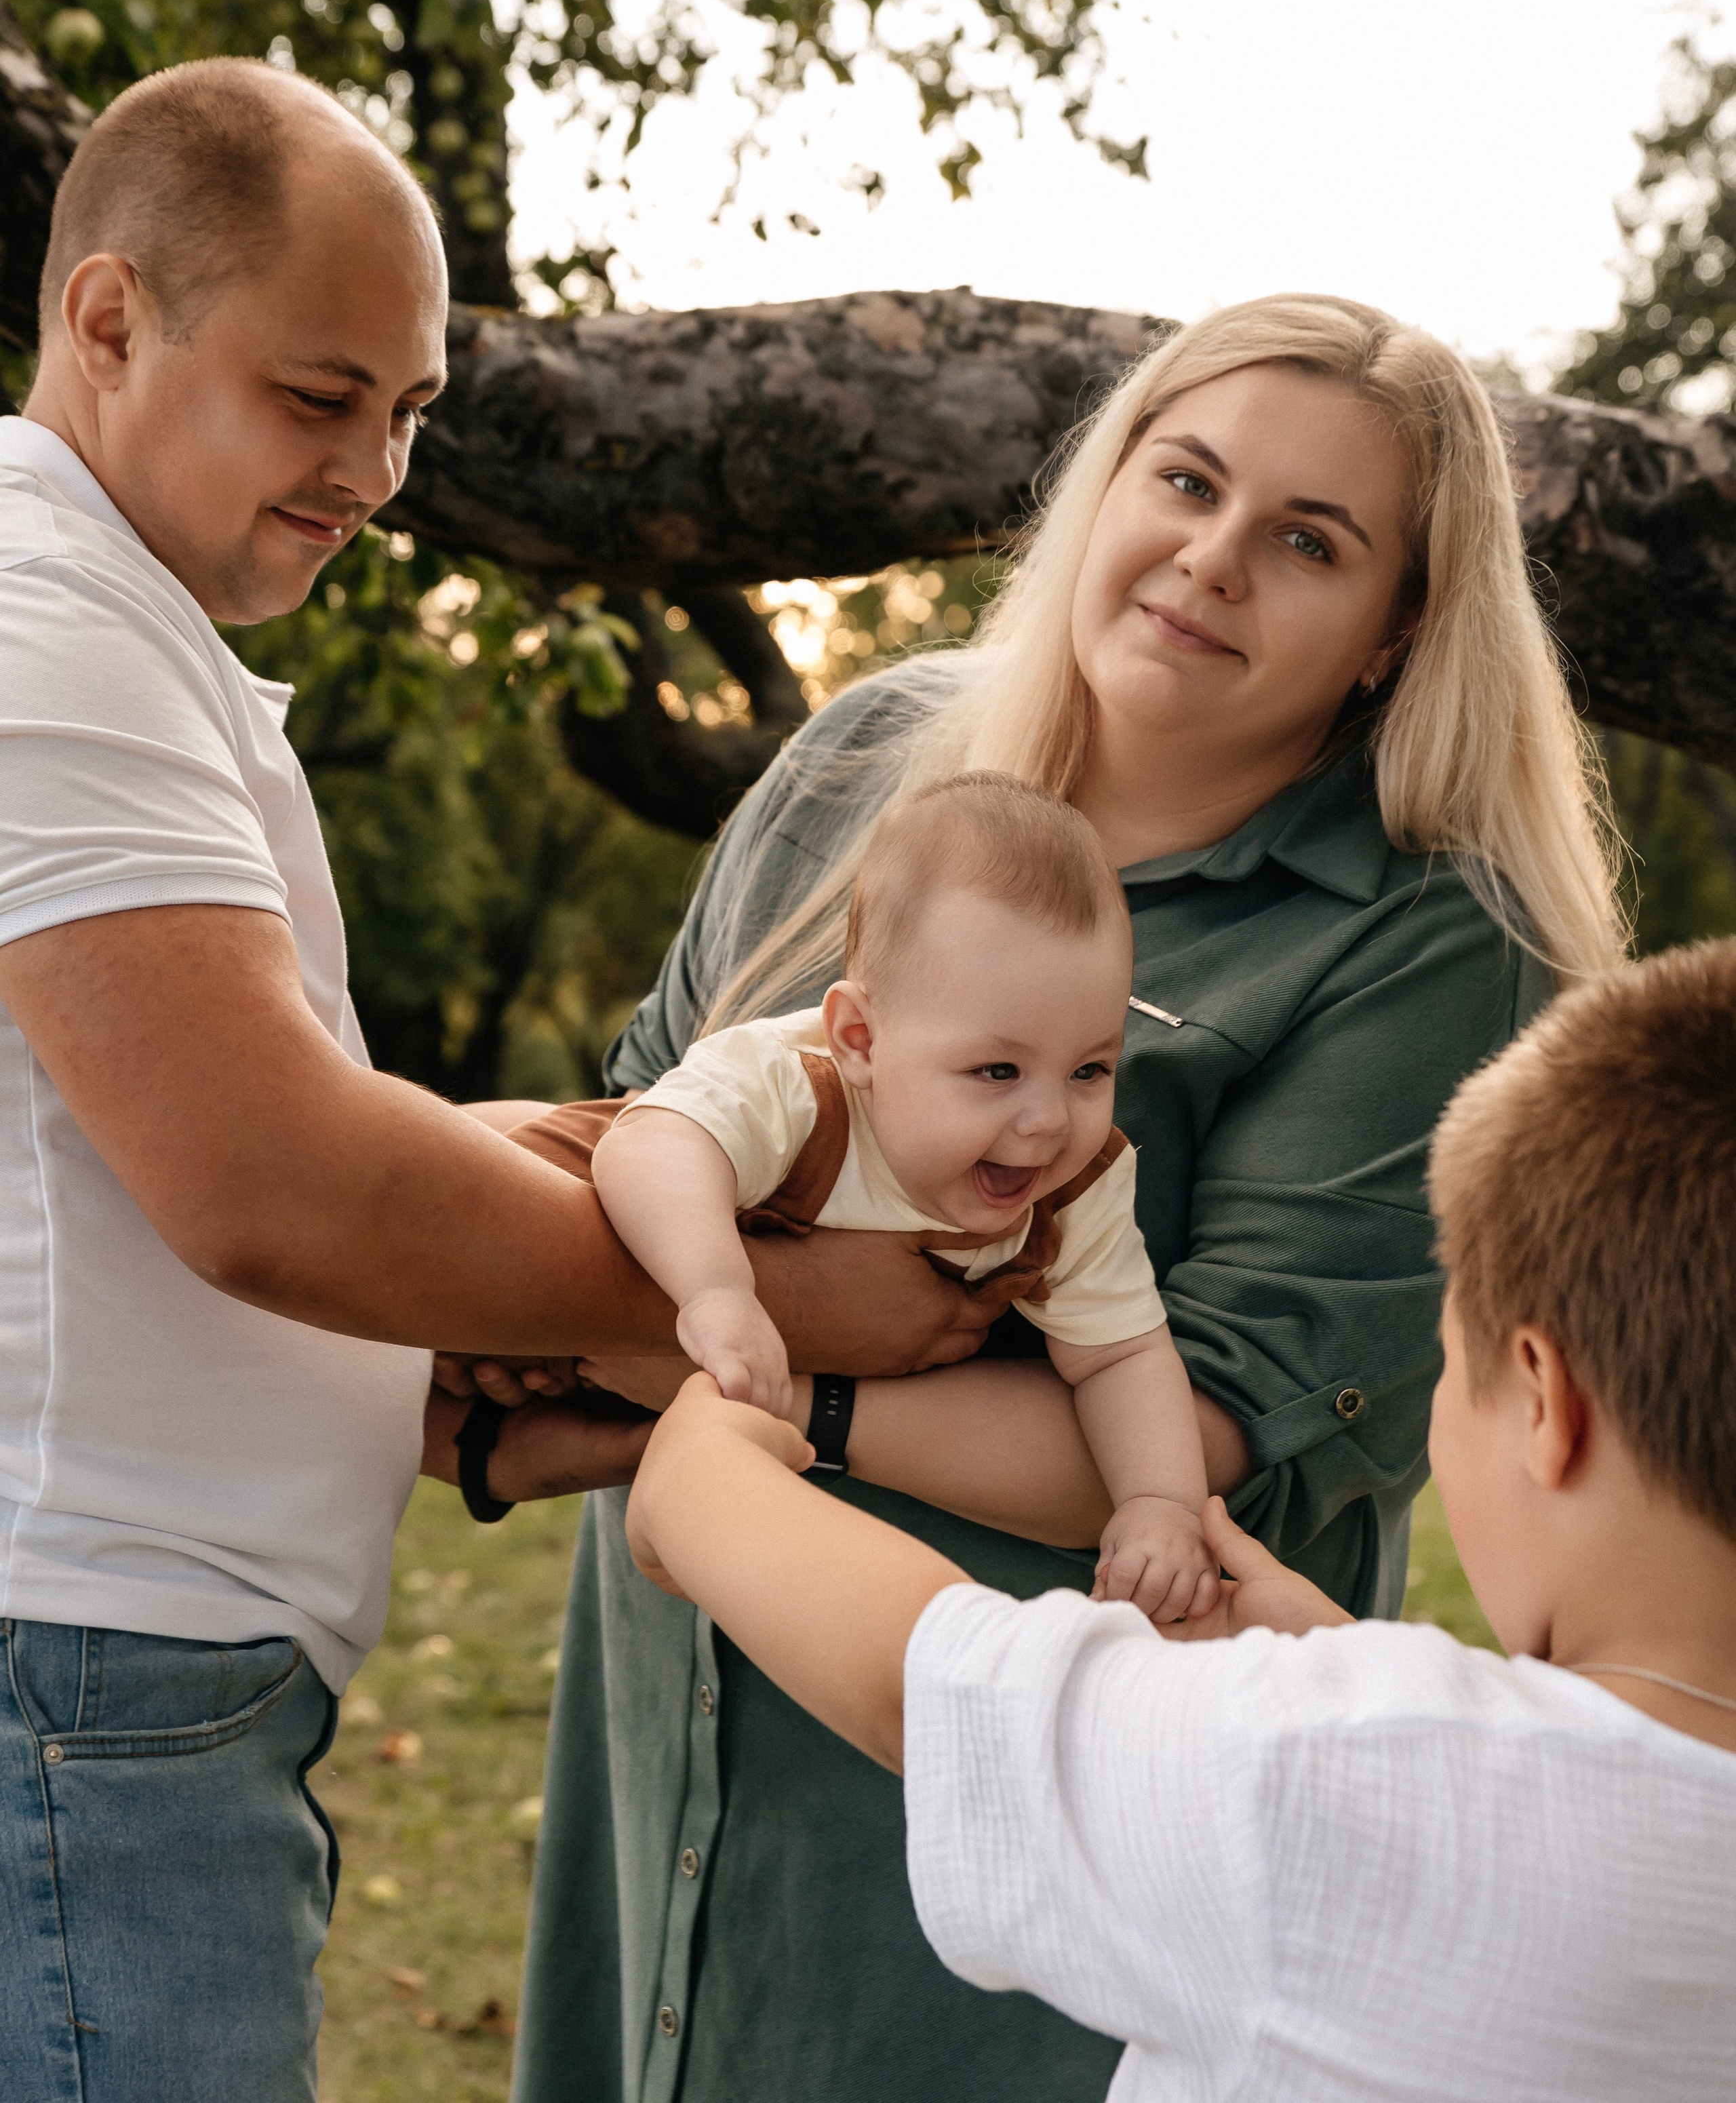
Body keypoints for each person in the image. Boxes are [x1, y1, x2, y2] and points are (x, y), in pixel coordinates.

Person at [0, 58, 995, 2103]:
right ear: (107, 319)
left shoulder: (118, 621)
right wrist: (761, 1304)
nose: (376, 468)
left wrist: (473, 1347)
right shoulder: (47, 621)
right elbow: (272, 1182)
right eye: (321, 394)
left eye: (412, 411)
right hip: (87, 1696)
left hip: (122, 1686)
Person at [505, 293, 1626, 2103]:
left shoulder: (1436, 944)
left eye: (1309, 540)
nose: (1212, 556)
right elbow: (623, 1130)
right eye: (1184, 479)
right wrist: (632, 1354)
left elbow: (1219, 1426)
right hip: (672, 1723)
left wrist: (762, 1390)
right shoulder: (861, 760)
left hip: (1020, 1845)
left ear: (1397, 633)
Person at [621, 937, 1736, 2102]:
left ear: (1546, 1404)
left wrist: (702, 1472)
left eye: (1456, 1370)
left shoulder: (1337, 1780)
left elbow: (932, 1689)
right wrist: (1338, 1664)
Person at [593, 774, 1216, 1622]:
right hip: (591, 1212)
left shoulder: (1076, 1186)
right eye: (997, 1070)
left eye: (1088, 1070)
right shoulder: (789, 1085)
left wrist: (1160, 1505)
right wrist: (718, 1291)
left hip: (631, 1379)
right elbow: (643, 1147)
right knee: (501, 1159)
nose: (1046, 1121)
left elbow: (1120, 1354)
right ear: (861, 1040)